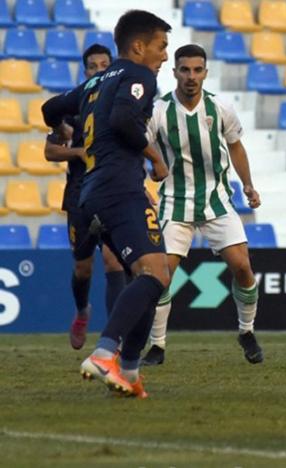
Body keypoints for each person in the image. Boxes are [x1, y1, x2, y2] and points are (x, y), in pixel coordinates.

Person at [42, 10, 173, 399]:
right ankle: (104, 354)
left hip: (90, 192)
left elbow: (51, 109)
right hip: (121, 187)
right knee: (154, 275)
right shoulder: (139, 76)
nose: (164, 56)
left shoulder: (95, 80)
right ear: (138, 46)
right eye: (161, 47)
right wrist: (155, 156)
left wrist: (65, 125)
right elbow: (121, 121)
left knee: (152, 274)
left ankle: (129, 371)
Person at [140, 44, 263, 366]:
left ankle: (246, 331)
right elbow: (137, 144)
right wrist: (146, 178)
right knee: (161, 275)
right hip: (174, 201)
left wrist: (248, 184)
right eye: (185, 70)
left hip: (216, 199)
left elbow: (236, 147)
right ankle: (157, 345)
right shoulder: (158, 111)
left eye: (197, 70)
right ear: (175, 72)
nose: (191, 76)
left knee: (242, 268)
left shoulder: (220, 108)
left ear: (205, 73)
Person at [44, 44, 128, 350]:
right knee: (83, 267)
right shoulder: (73, 104)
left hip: (111, 191)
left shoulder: (120, 104)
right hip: (79, 193)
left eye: (104, 65)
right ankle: (82, 312)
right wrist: (77, 151)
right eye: (92, 66)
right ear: (85, 71)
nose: (98, 70)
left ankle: (114, 337)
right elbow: (50, 151)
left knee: (113, 260)